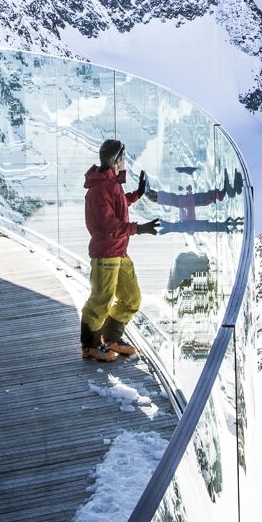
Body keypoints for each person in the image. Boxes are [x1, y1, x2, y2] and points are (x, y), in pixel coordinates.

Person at [80, 139, 160, 362]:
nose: (125, 162)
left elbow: (118, 203)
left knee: (131, 297)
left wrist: (137, 194)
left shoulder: (109, 184)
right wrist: (139, 229)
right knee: (100, 300)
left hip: (119, 252)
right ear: (115, 161)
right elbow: (110, 225)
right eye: (123, 158)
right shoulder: (99, 188)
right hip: (106, 254)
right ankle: (90, 345)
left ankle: (111, 337)